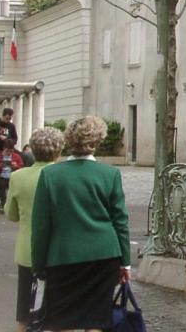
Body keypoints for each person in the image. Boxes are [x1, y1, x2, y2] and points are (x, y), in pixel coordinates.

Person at [31, 116, 131, 332]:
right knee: (96, 319)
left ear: (69, 141)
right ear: (96, 142)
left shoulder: (50, 175)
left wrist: (38, 264)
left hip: (63, 256)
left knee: (61, 321)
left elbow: (40, 226)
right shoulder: (110, 174)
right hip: (103, 255)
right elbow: (120, 220)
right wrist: (125, 262)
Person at [5, 128, 64, 332]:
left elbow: (11, 215)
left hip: (27, 252)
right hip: (59, 253)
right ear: (58, 151)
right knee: (59, 316)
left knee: (25, 314)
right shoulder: (62, 176)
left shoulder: (18, 177)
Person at [0, 137, 24, 209]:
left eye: (11, 151)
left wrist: (16, 166)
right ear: (4, 149)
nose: (9, 153)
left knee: (14, 187)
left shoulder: (16, 157)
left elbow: (21, 167)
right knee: (0, 185)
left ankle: (12, 204)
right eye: (7, 151)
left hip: (13, 176)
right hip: (1, 177)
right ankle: (4, 203)